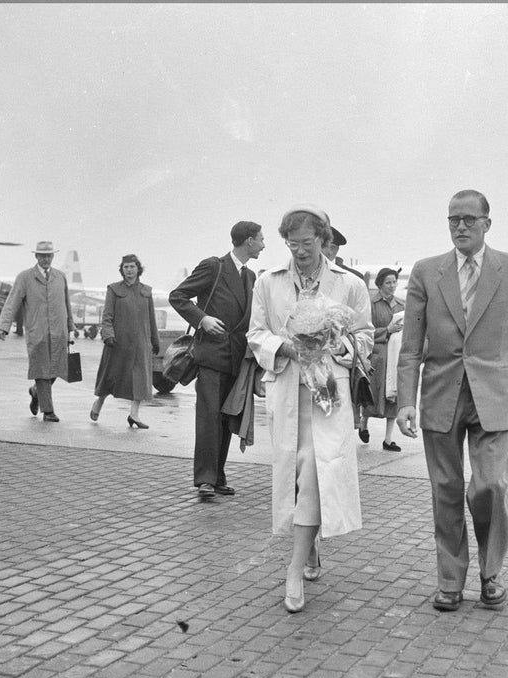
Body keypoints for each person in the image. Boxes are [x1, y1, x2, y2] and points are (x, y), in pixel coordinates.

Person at [396, 189, 508, 612]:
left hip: (493, 398)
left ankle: (491, 574)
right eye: (453, 220)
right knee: (445, 488)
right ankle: (450, 581)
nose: (460, 227)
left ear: (487, 224)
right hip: (441, 394)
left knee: (491, 484)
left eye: (469, 220)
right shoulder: (426, 272)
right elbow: (410, 345)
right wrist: (406, 400)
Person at [247, 205, 373, 613]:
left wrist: (341, 346)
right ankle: (311, 545)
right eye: (292, 243)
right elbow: (255, 333)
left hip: (329, 396)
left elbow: (365, 338)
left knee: (318, 470)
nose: (299, 251)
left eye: (307, 243)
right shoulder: (268, 282)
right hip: (288, 391)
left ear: (324, 240)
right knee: (299, 471)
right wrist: (286, 346)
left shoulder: (349, 285)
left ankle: (293, 567)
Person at [169, 221, 265, 500]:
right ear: (248, 241)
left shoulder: (249, 277)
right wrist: (202, 319)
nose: (263, 244)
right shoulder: (214, 266)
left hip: (236, 358)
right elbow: (179, 296)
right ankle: (205, 480)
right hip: (212, 355)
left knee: (225, 418)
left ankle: (218, 475)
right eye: (261, 239)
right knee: (209, 418)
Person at [0, 241, 75, 422]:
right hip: (37, 332)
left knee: (56, 369)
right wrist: (3, 326)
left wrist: (70, 324)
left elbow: (66, 303)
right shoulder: (25, 277)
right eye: (42, 255)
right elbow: (12, 301)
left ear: (53, 256)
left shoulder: (60, 277)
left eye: (49, 255)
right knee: (41, 370)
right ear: (36, 256)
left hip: (59, 332)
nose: (46, 259)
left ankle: (36, 391)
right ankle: (48, 411)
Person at [91, 254, 160, 428]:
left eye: (132, 267)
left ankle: (134, 414)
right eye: (126, 267)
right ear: (121, 270)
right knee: (111, 376)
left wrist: (155, 340)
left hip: (140, 343)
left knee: (140, 379)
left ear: (138, 269)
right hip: (118, 342)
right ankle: (99, 402)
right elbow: (107, 316)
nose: (129, 270)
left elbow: (151, 318)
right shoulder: (114, 290)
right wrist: (108, 335)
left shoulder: (146, 291)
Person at [359, 267, 405, 450]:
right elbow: (366, 330)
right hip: (377, 355)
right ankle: (364, 423)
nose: (392, 286)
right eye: (388, 282)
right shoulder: (371, 304)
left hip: (394, 357)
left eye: (394, 282)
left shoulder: (401, 306)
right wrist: (387, 330)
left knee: (393, 396)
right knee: (374, 393)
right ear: (380, 284)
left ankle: (388, 439)